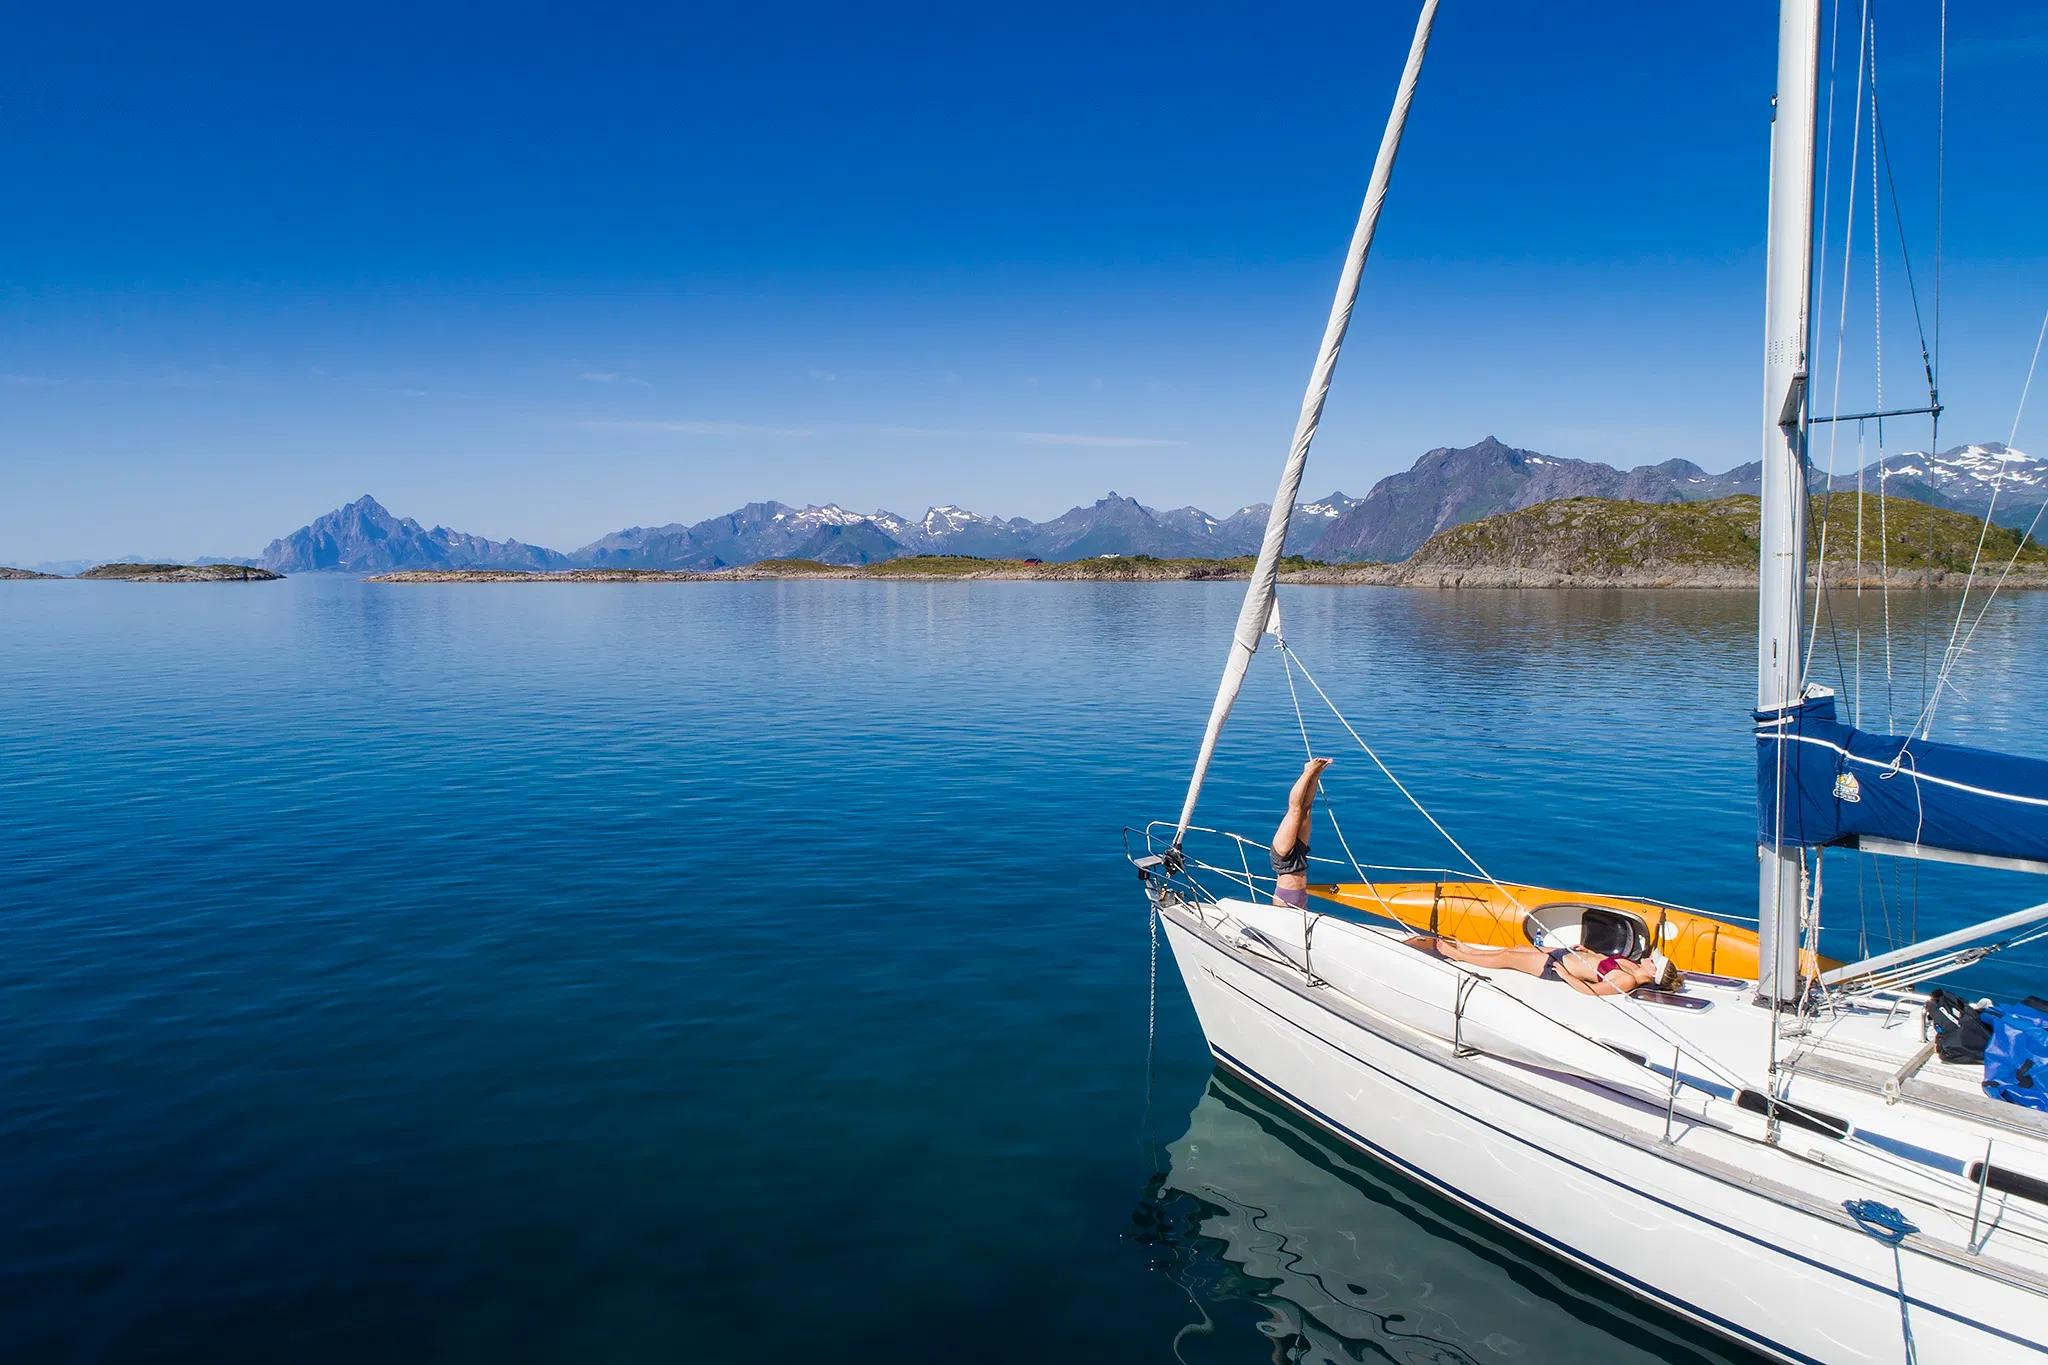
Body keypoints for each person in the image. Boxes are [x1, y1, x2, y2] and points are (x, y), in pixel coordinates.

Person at [1413, 935, 1684, 996]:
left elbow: (1591, 991)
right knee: (1515, 949)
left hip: (1556, 966)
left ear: (1653, 974)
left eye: (1653, 962)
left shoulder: (1627, 981)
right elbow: (1600, 961)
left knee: (1507, 960)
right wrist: (1587, 950)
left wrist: (1566, 975)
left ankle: (1460, 956)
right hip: (1564, 953)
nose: (1650, 957)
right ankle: (1471, 950)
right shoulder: (1630, 966)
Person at [1271, 757, 1331, 908]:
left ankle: (1312, 773)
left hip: (1285, 860)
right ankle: (1310, 772)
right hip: (1292, 895)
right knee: (1302, 811)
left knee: (1298, 811)